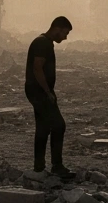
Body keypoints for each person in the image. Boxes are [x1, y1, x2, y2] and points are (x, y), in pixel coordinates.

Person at [25, 16, 73, 177]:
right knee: (59, 125)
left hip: (37, 91)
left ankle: (39, 167)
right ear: (57, 29)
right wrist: (47, 92)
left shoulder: (44, 42)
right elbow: (37, 68)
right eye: (65, 33)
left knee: (43, 128)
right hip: (39, 92)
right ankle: (57, 166)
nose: (65, 37)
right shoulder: (42, 43)